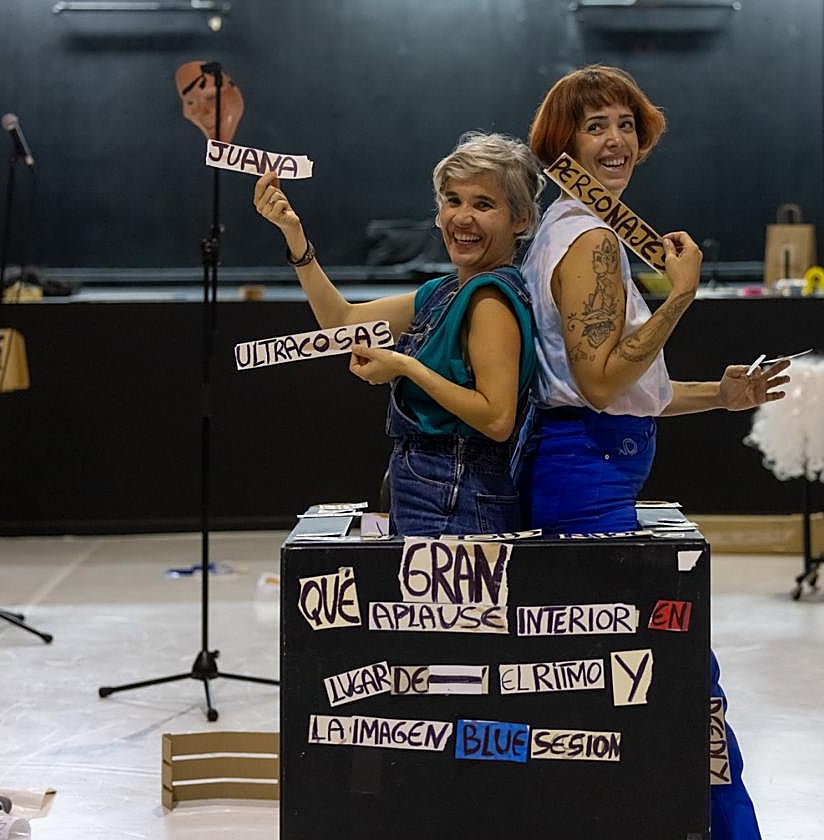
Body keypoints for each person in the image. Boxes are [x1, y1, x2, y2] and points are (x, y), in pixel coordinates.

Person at [522, 65, 789, 838]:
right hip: (586, 481)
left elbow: (623, 382)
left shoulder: (569, 231)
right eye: (595, 125)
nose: (615, 140)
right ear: (563, 142)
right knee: (679, 685)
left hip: (591, 471)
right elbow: (603, 385)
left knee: (623, 690)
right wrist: (678, 296)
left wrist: (721, 394)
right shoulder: (593, 241)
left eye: (625, 124)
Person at [254, 132, 542, 537]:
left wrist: (405, 367)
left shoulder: (489, 299)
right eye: (453, 200)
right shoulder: (444, 291)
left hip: (456, 494)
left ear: (521, 219)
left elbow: (496, 419)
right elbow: (342, 322)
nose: (462, 218)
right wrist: (294, 237)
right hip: (422, 484)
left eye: (484, 204)